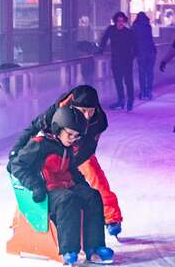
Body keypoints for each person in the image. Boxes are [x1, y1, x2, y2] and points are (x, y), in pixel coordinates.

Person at [7, 85, 124, 237]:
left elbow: (89, 148)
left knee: (96, 178)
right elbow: (34, 127)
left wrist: (70, 164)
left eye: (91, 111)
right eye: (83, 111)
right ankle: (24, 219)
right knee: (37, 179)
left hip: (77, 151)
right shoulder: (58, 109)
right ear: (72, 106)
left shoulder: (99, 121)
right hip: (52, 149)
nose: (88, 116)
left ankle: (111, 217)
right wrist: (16, 150)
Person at [8, 106, 115, 265]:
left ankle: (94, 247)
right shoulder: (40, 144)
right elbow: (16, 166)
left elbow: (71, 169)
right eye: (70, 134)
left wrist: (83, 184)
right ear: (58, 128)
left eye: (76, 136)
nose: (73, 139)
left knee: (92, 195)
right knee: (68, 199)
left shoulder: (67, 146)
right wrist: (36, 185)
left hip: (65, 185)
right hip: (47, 189)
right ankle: (69, 249)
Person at [99, 11, 136, 111]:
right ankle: (121, 100)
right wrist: (100, 50)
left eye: (122, 21)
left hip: (127, 61)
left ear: (124, 22)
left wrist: (131, 57)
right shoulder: (111, 30)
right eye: (118, 21)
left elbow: (135, 46)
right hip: (116, 60)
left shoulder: (128, 32)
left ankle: (130, 101)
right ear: (115, 21)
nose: (120, 23)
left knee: (128, 81)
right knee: (118, 81)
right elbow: (103, 39)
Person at [131, 12, 157, 100]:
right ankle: (149, 91)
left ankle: (142, 92)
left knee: (142, 73)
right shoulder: (148, 26)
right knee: (150, 72)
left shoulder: (134, 27)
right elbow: (150, 39)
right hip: (150, 52)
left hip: (141, 53)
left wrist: (134, 53)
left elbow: (133, 41)